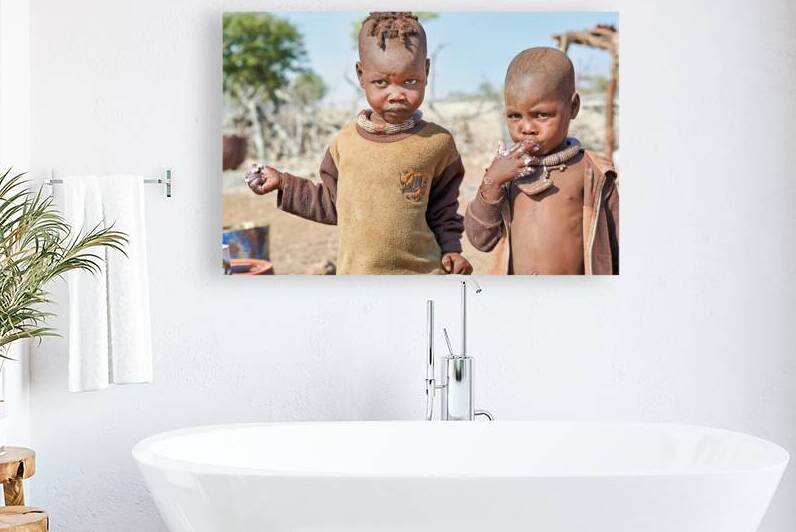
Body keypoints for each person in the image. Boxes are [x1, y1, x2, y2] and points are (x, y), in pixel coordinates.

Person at [247, 12, 472, 275]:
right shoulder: (345, 143)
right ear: (361, 75)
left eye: (410, 81)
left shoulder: (437, 143)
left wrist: (451, 250)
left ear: (427, 71)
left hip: (422, 276)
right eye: (381, 82)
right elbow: (333, 204)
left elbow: (443, 209)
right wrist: (284, 183)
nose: (397, 94)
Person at [464, 47, 618, 275]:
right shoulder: (505, 173)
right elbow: (480, 240)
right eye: (515, 116)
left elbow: (619, 247)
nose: (526, 128)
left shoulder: (592, 172)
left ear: (573, 107)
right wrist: (492, 182)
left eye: (541, 115)